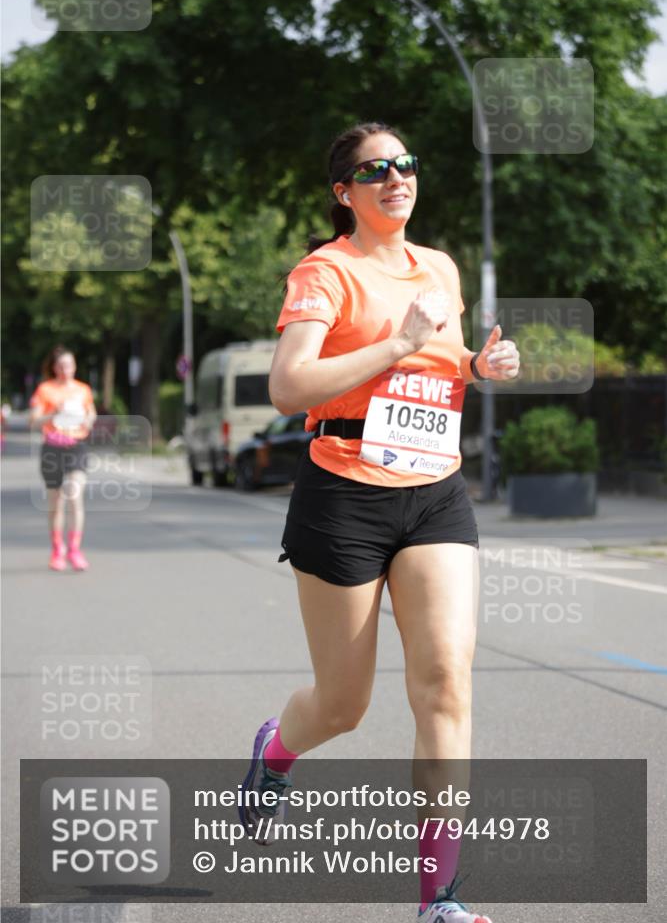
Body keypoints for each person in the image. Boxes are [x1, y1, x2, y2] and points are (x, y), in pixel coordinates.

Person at [238, 122, 519, 922]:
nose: (396, 178)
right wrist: (396, 343)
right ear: (344, 192)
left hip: (435, 490)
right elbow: (290, 387)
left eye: (405, 165)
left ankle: (440, 899)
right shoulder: (323, 273)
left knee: (444, 685)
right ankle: (276, 748)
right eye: (375, 170)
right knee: (343, 703)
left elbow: (445, 359)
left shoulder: (438, 267)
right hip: (344, 495)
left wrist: (476, 365)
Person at [29, 346, 97, 571]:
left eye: (70, 365)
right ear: (54, 367)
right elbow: (34, 421)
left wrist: (88, 420)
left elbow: (91, 413)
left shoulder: (83, 390)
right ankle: (58, 550)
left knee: (74, 496)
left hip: (76, 446)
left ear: (75, 366)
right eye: (61, 365)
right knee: (56, 502)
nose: (66, 369)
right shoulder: (45, 390)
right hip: (52, 447)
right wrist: (54, 413)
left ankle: (75, 550)